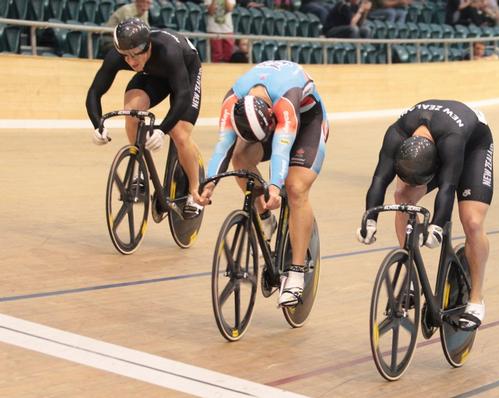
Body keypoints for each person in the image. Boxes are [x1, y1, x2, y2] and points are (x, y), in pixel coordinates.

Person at [199, 60, 329, 307]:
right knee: (240, 157)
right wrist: (209, 183)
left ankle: (297, 273)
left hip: (307, 121)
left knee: (295, 188)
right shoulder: (232, 100)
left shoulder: (286, 100)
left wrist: (274, 186)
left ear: (270, 119)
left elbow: (281, 150)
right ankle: (264, 218)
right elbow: (223, 148)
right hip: (267, 121)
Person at [357, 99, 494, 331]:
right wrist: (369, 218)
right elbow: (379, 178)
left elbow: (448, 187)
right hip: (435, 144)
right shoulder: (397, 134)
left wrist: (437, 226)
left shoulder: (452, 139)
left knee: (472, 221)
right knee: (403, 197)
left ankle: (476, 299)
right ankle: (411, 275)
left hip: (473, 147)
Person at [86, 18, 204, 218]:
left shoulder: (169, 52)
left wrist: (161, 130)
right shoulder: (120, 55)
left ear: (147, 45)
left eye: (135, 55)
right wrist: (97, 124)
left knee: (180, 134)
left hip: (186, 71)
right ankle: (140, 173)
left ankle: (195, 191)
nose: (130, 61)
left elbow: (183, 96)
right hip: (153, 73)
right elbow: (94, 92)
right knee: (132, 111)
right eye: (125, 56)